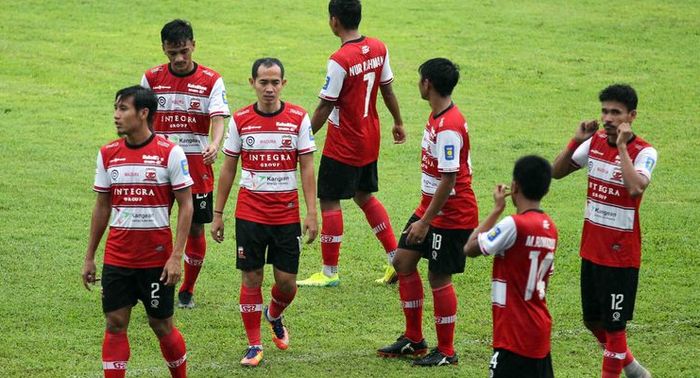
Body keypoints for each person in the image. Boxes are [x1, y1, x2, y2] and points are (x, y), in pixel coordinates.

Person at [211, 58, 318, 367]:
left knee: (287, 283)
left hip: (286, 215)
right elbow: (229, 167)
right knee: (251, 278)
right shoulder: (241, 119)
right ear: (252, 83)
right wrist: (218, 213)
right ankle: (254, 345)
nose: (269, 88)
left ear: (283, 84)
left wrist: (312, 213)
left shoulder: (298, 118)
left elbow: (308, 166)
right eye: (263, 82)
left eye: (275, 82)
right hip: (250, 214)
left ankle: (273, 314)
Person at [82, 85, 193, 378]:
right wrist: (90, 256)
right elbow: (102, 206)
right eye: (115, 109)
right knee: (115, 323)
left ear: (143, 113)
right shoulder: (107, 154)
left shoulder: (170, 152)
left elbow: (186, 205)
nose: (116, 116)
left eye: (123, 109)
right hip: (118, 258)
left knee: (161, 325)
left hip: (156, 260)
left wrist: (176, 256)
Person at [297, 0, 406, 287]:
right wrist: (398, 121)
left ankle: (329, 272)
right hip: (370, 137)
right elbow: (387, 88)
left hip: (344, 142)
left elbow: (324, 106)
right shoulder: (379, 47)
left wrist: (303, 137)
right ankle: (396, 259)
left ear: (334, 21)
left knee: (330, 199)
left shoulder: (340, 59)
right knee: (364, 196)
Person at [377, 58, 478, 366]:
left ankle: (447, 351)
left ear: (427, 84)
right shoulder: (438, 116)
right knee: (403, 261)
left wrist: (426, 221)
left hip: (451, 214)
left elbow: (449, 180)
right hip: (430, 209)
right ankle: (414, 339)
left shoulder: (448, 126)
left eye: (420, 79)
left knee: (438, 276)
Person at [551, 84, 655, 378]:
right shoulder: (594, 142)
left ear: (631, 116)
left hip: (621, 256)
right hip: (591, 249)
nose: (608, 118)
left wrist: (621, 147)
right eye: (605, 111)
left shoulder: (644, 151)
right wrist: (575, 140)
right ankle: (635, 371)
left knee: (614, 325)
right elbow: (556, 172)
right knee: (593, 321)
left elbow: (635, 187)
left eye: (616, 113)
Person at [140, 19, 231, 308]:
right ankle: (152, 286)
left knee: (193, 228)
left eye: (184, 51)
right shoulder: (151, 78)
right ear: (164, 49)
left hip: (195, 167)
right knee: (153, 226)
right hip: (157, 166)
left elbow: (218, 117)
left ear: (193, 45)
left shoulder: (211, 80)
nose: (179, 58)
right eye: (172, 52)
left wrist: (215, 143)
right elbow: (141, 119)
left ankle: (187, 290)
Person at [464, 155, 558, 378]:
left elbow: (470, 248)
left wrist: (496, 209)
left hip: (514, 334)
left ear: (515, 186)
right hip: (539, 331)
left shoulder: (514, 224)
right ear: (545, 190)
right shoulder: (550, 228)